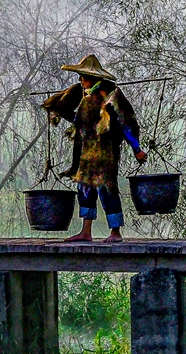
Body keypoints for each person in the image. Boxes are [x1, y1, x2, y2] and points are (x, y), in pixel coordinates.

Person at [41, 55, 147, 242]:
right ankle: (86, 231)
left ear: (96, 78)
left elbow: (126, 122)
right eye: (81, 77)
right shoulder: (80, 92)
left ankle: (115, 232)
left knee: (106, 188)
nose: (82, 81)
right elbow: (64, 108)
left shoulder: (111, 93)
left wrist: (136, 148)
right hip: (86, 150)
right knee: (85, 188)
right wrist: (76, 120)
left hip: (106, 150)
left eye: (85, 77)